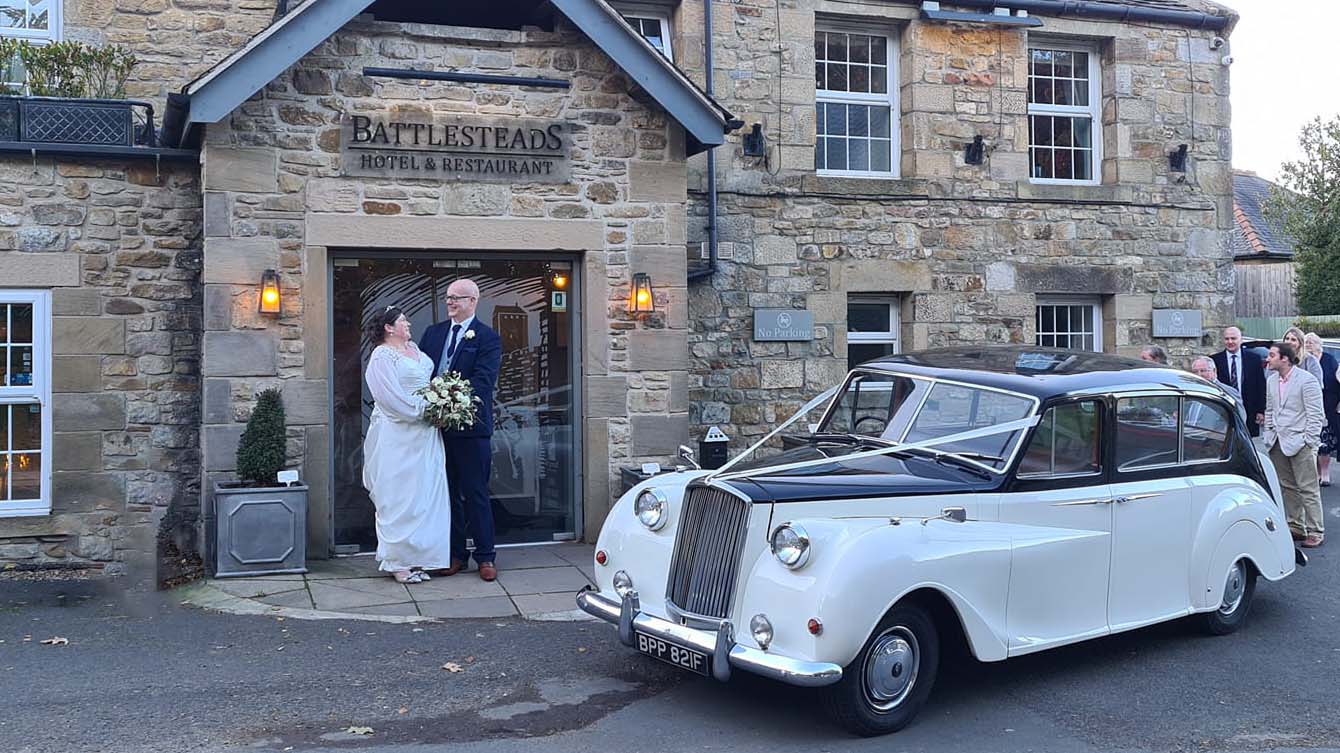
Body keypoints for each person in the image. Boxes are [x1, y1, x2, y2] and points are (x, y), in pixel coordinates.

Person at [361, 306, 454, 584]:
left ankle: (420, 558)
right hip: (399, 435)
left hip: (426, 436)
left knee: (424, 494)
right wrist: (427, 411)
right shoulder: (382, 356)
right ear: (389, 328)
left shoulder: (414, 349)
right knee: (399, 496)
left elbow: (428, 383)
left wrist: (443, 405)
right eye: (403, 320)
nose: (408, 323)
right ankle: (398, 561)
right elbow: (390, 398)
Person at [420, 279, 503, 582]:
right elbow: (422, 373)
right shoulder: (433, 333)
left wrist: (451, 404)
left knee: (475, 492)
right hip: (436, 430)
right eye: (447, 297)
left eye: (456, 298)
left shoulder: (487, 337)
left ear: (473, 301)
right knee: (447, 494)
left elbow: (483, 381)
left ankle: (486, 556)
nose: (450, 302)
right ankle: (454, 555)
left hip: (471, 429)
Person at [1262, 342, 1325, 548]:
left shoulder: (1307, 380)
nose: (1268, 359)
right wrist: (1269, 433)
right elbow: (1270, 409)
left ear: (1285, 359)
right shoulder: (1271, 381)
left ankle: (1316, 530)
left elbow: (1316, 415)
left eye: (1272, 355)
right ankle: (1296, 526)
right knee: (1287, 487)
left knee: (1308, 488)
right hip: (1277, 441)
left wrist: (1309, 440)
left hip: (1300, 442)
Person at [1213, 326, 1265, 437]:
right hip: (1223, 412)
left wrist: (1261, 410)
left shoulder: (1254, 359)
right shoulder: (1215, 360)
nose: (1230, 342)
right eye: (1227, 339)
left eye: (1233, 338)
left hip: (1250, 411)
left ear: (1241, 340)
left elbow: (1260, 386)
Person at [1304, 332, 1339, 486]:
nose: (1309, 344)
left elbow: (1337, 381)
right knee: (1314, 440)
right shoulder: (1304, 361)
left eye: (1311, 342)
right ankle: (1317, 473)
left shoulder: (1329, 360)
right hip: (1309, 405)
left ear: (1319, 344)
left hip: (1329, 404)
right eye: (1306, 342)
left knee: (1325, 441)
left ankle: (1324, 474)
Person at [1191, 356, 1247, 425]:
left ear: (1214, 371)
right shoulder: (1192, 391)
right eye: (1195, 372)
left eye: (1203, 371)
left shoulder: (1228, 392)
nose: (1199, 375)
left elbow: (1240, 420)